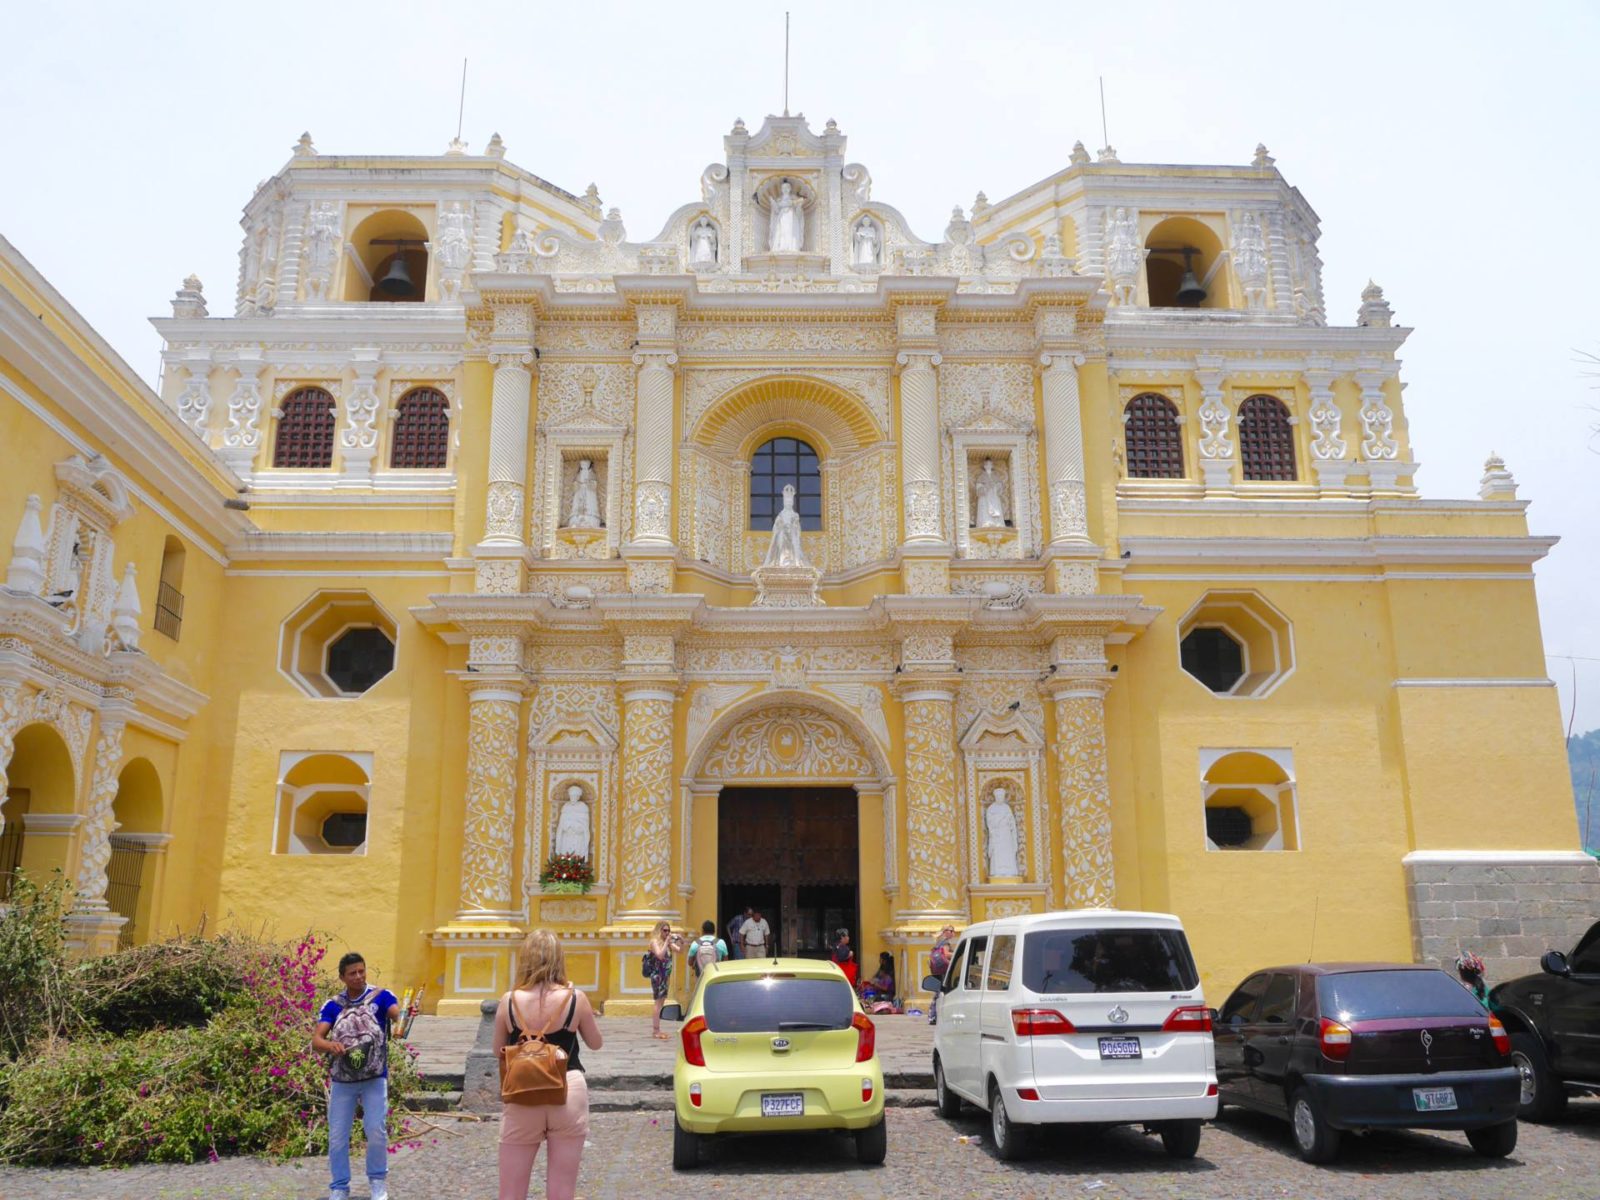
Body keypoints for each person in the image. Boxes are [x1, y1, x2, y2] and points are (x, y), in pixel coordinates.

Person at [493, 930, 603, 1200]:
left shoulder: (509, 1000)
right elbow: (595, 1042)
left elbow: (498, 1050)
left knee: (511, 1192)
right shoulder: (576, 997)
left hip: (522, 1091)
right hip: (567, 1087)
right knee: (562, 1191)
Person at [312, 952, 402, 1200]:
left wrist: (401, 1020)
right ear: (342, 977)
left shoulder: (381, 997)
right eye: (352, 973)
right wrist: (331, 1046)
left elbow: (397, 1014)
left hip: (374, 1077)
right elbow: (317, 1040)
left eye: (361, 971)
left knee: (376, 1130)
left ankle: (377, 1183)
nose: (358, 976)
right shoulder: (333, 1005)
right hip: (343, 1081)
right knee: (338, 1136)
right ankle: (340, 1186)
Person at [645, 921, 684, 1039]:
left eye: (668, 931)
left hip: (665, 977)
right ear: (659, 931)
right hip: (658, 976)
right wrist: (667, 942)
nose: (667, 933)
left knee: (661, 1002)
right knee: (658, 1002)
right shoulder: (655, 942)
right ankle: (655, 1031)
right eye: (665, 930)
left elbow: (680, 951)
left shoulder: (667, 943)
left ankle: (657, 1030)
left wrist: (681, 941)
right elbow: (660, 955)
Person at [688, 919, 728, 998]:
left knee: (700, 996)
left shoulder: (695, 943)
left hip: (700, 976)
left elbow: (690, 963)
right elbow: (725, 962)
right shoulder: (721, 942)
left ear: (702, 930)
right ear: (714, 931)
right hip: (715, 976)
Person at [928, 925, 956, 1026]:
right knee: (944, 992)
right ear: (945, 932)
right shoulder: (945, 942)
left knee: (938, 993)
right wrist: (958, 954)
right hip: (944, 970)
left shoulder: (938, 943)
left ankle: (933, 1015)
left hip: (937, 970)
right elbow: (946, 954)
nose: (953, 933)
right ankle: (935, 1016)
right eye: (951, 931)